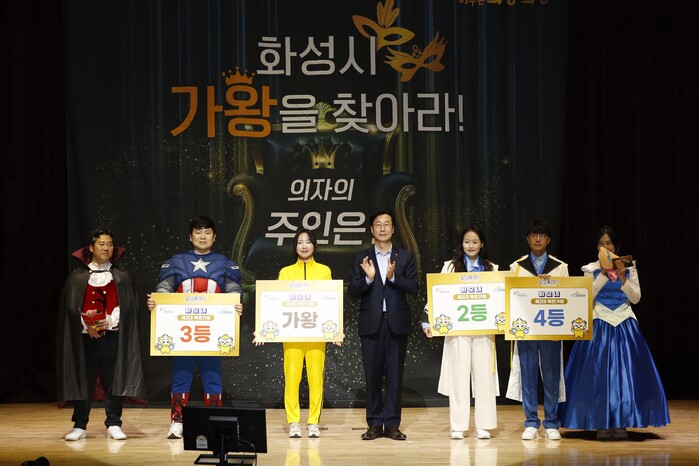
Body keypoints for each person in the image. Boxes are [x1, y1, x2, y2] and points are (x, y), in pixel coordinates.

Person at [559, 226, 670, 439]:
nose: (605, 247)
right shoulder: (590, 268)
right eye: (601, 243)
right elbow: (586, 297)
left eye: (608, 243)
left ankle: (621, 423)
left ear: (616, 246)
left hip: (624, 321)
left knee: (625, 377)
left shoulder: (628, 266)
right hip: (599, 321)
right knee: (597, 377)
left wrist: (622, 277)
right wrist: (602, 274)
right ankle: (600, 422)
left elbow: (636, 298)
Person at [147, 216, 243, 439]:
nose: (202, 236)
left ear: (214, 237)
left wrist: (237, 306)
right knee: (181, 376)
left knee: (212, 377)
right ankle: (177, 421)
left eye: (207, 232)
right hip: (183, 333)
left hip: (212, 332)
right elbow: (163, 291)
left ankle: (215, 423)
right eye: (198, 232)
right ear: (190, 237)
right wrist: (157, 303)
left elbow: (234, 293)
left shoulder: (224, 264)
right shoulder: (177, 262)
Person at [56, 228, 146, 441]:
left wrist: (112, 320)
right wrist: (86, 324)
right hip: (84, 338)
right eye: (101, 244)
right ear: (91, 247)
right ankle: (79, 425)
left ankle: (114, 423)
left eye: (109, 244)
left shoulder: (121, 276)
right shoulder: (77, 277)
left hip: (112, 336)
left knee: (113, 379)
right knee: (83, 379)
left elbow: (129, 305)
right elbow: (70, 307)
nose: (106, 248)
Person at [422, 226, 499, 440]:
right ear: (461, 244)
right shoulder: (450, 266)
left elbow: (501, 296)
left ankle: (483, 425)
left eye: (475, 242)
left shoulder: (492, 268)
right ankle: (458, 425)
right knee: (458, 375)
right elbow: (437, 293)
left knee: (485, 376)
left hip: (484, 328)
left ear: (482, 244)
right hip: (457, 329)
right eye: (467, 242)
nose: (470, 246)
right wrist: (427, 320)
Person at [348, 210, 419, 441]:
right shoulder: (361, 257)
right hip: (371, 324)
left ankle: (392, 425)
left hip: (396, 324)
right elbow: (353, 291)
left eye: (386, 224)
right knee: (373, 377)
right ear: (371, 229)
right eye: (378, 224)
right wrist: (368, 278)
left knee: (395, 377)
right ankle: (374, 424)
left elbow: (414, 287)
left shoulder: (405, 257)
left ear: (393, 229)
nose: (382, 228)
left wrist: (393, 277)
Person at [505, 219, 568, 441]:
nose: (538, 239)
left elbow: (568, 299)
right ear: (527, 239)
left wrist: (553, 286)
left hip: (551, 330)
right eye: (533, 235)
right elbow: (510, 298)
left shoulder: (560, 267)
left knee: (551, 377)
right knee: (528, 375)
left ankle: (551, 422)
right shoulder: (516, 267)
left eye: (542, 235)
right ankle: (531, 422)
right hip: (526, 330)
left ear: (548, 240)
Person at [274, 228, 339, 438]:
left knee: (315, 378)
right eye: (300, 242)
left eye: (308, 242)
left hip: (316, 334)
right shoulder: (285, 272)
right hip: (291, 333)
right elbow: (275, 302)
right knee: (291, 378)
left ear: (315, 246)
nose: (304, 246)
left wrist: (335, 331)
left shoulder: (324, 271)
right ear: (295, 247)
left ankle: (313, 422)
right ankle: (293, 422)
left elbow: (331, 301)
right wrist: (264, 329)